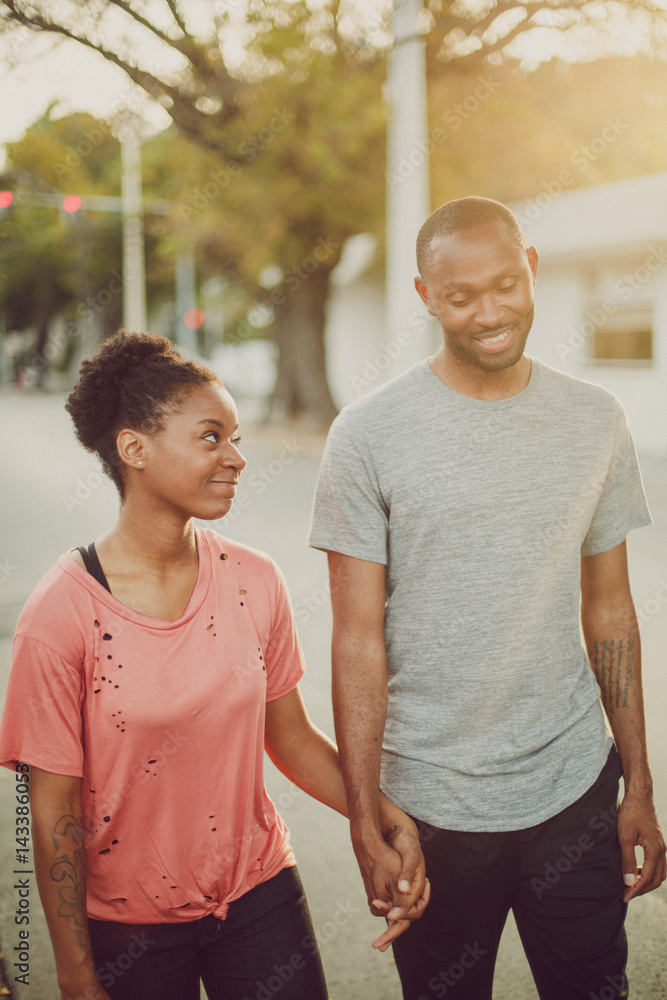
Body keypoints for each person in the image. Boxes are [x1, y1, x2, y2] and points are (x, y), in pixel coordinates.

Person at [308, 196, 666, 1000]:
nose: (488, 313)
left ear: (530, 268)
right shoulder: (368, 435)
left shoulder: (593, 420)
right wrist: (366, 820)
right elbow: (356, 641)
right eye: (460, 296)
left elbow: (608, 607)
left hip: (572, 789)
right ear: (424, 296)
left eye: (504, 285)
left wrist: (636, 784)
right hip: (428, 807)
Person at [0, 331, 428, 1000]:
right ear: (134, 449)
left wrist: (379, 818)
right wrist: (76, 971)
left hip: (259, 896)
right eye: (210, 437)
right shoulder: (61, 613)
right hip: (127, 926)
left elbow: (289, 739)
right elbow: (50, 811)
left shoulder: (254, 580)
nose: (236, 458)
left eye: (236, 438)